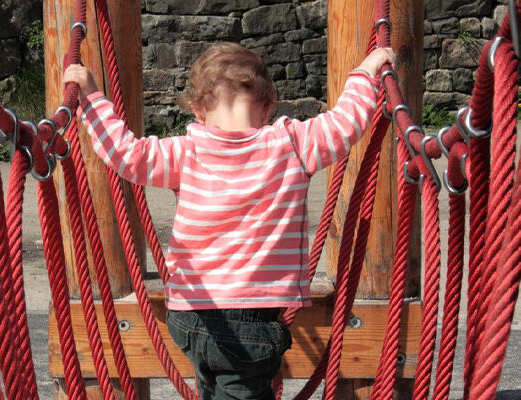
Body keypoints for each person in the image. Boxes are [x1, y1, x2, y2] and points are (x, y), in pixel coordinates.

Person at [64, 42, 395, 400]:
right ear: (268, 106)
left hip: (190, 317)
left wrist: (93, 97)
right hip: (249, 326)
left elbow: (127, 154)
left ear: (197, 110)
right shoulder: (294, 144)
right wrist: (368, 70)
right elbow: (347, 123)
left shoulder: (185, 152)